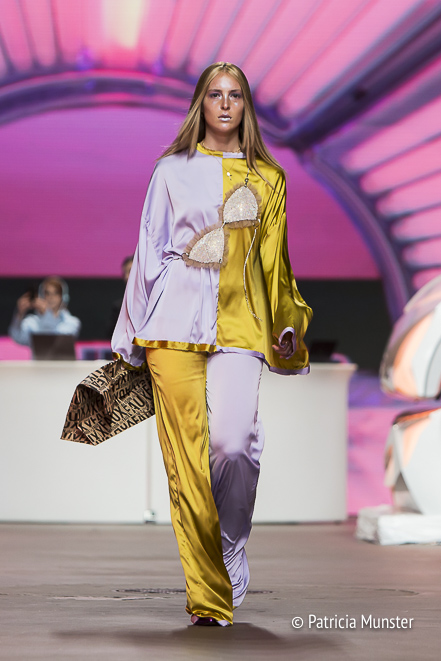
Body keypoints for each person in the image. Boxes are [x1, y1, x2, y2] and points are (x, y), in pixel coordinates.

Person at [112, 62, 312, 627]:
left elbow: (275, 264)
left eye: (236, 95)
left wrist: (285, 323)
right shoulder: (171, 171)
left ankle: (231, 542)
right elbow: (149, 250)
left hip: (241, 322)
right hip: (171, 323)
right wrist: (130, 335)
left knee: (232, 445)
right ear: (200, 103)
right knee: (187, 463)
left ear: (246, 106)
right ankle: (208, 594)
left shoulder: (269, 178)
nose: (225, 104)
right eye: (215, 94)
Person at [9, 276, 81, 346]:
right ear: (42, 296)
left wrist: (46, 313)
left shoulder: (72, 322)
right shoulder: (31, 322)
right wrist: (20, 314)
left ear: (63, 297)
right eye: (47, 293)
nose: (51, 297)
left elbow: (56, 342)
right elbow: (18, 338)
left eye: (56, 293)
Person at [107, 255, 134, 338]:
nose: (127, 277)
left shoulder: (156, 304)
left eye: (131, 271)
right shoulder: (118, 307)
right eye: (126, 273)